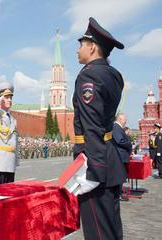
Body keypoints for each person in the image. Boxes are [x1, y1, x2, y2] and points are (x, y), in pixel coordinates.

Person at [72, 17, 126, 239]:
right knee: (112, 228)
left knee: (98, 232)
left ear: (92, 47)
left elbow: (91, 125)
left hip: (95, 163)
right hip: (109, 157)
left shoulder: (89, 75)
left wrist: (93, 172)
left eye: (81, 44)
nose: (78, 50)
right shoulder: (114, 75)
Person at [112, 113, 132, 201]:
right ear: (120, 119)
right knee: (120, 176)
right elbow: (119, 141)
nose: (126, 121)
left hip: (121, 155)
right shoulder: (116, 127)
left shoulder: (119, 128)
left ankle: (119, 193)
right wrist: (129, 144)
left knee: (121, 176)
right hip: (120, 156)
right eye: (125, 119)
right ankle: (118, 194)